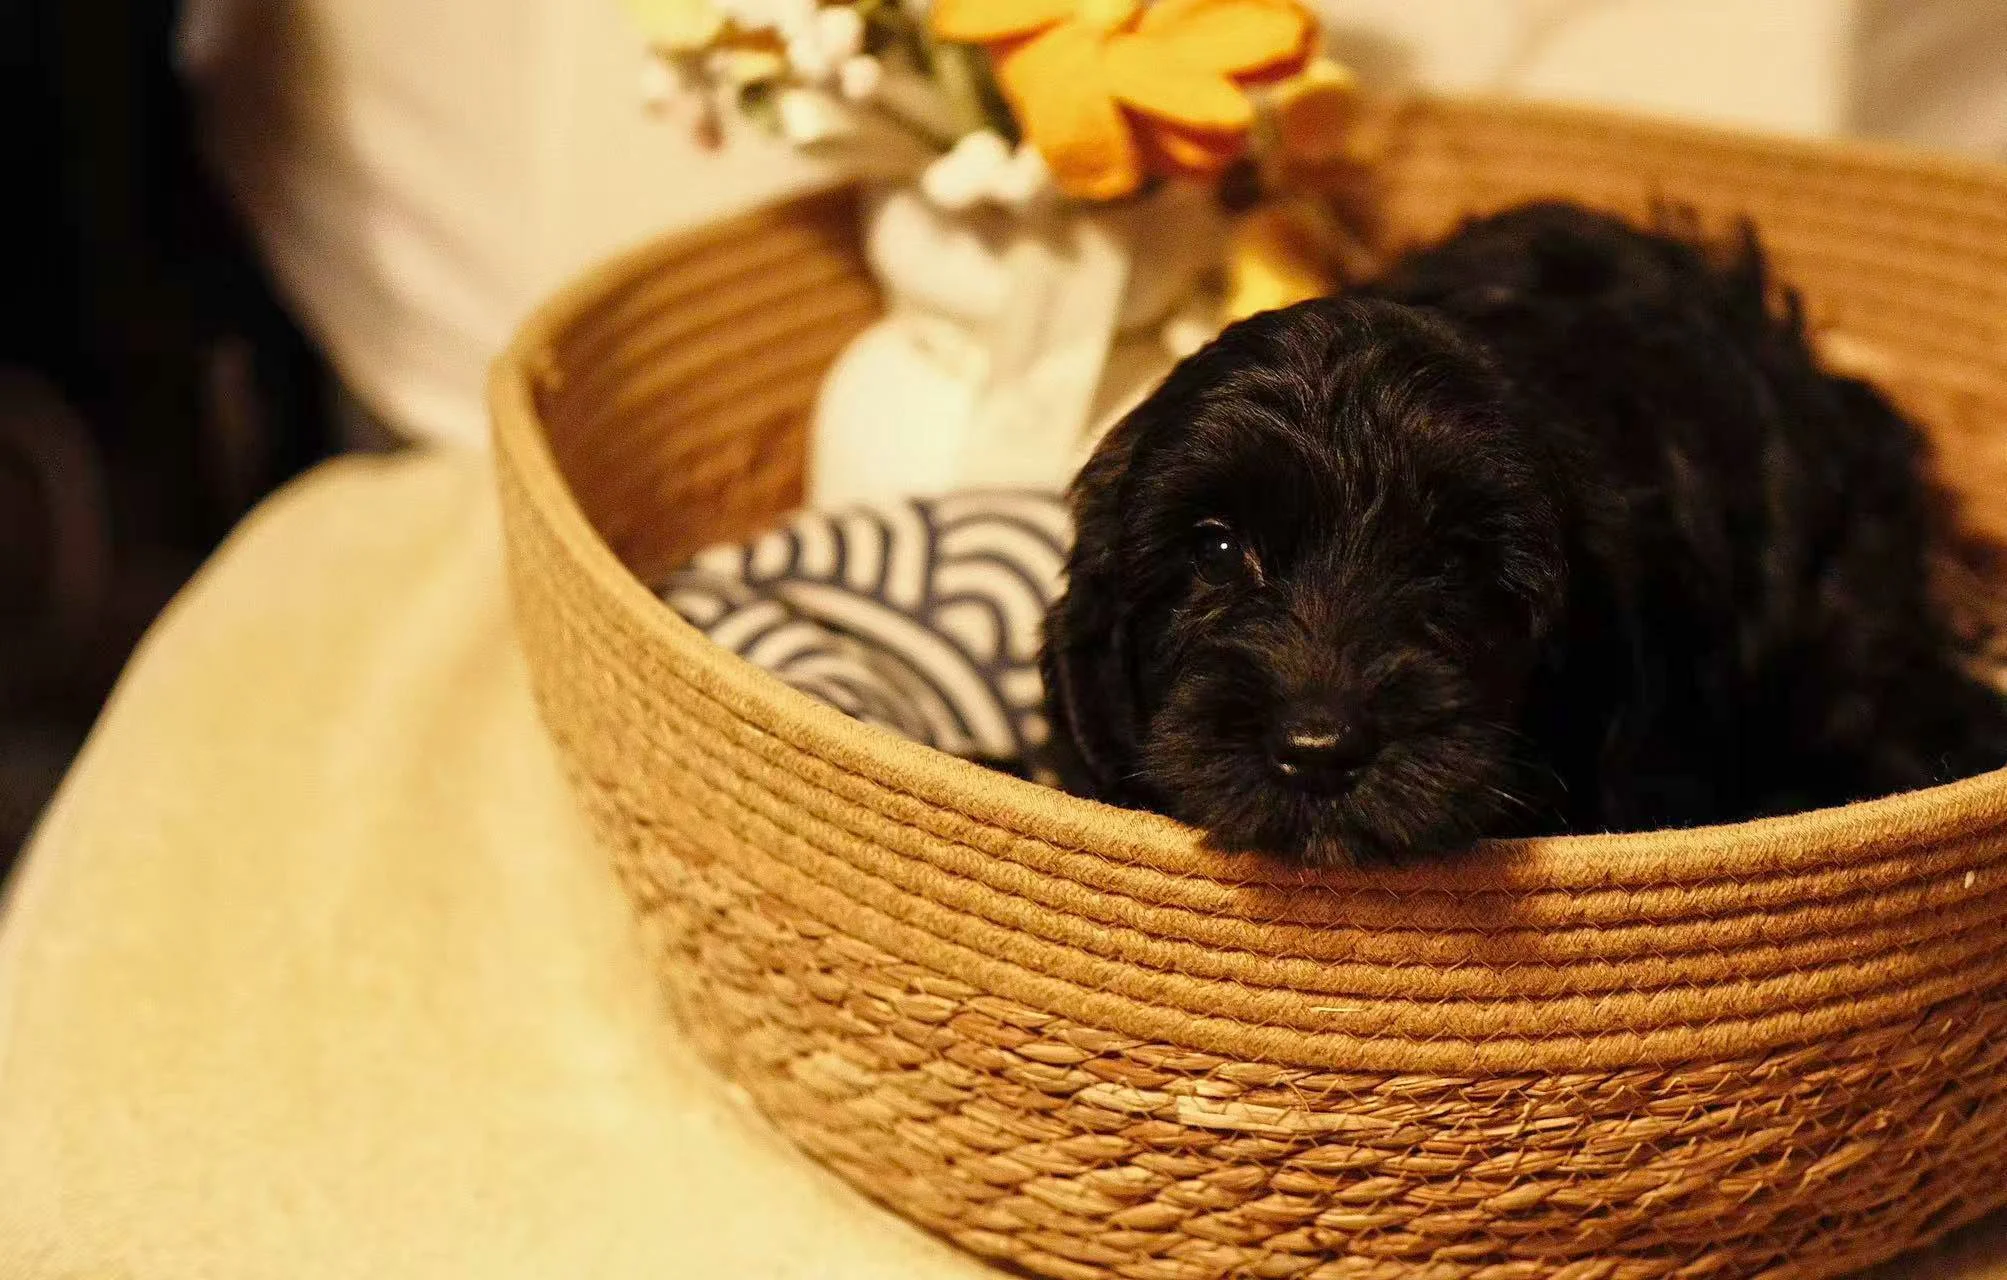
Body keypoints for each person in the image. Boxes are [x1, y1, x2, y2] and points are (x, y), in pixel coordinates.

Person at [3, 3, 2004, 1276]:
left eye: (1456, 580)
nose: (1317, 687)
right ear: (1110, 617)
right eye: (1217, 562)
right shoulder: (1086, 633)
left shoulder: (1662, 601)